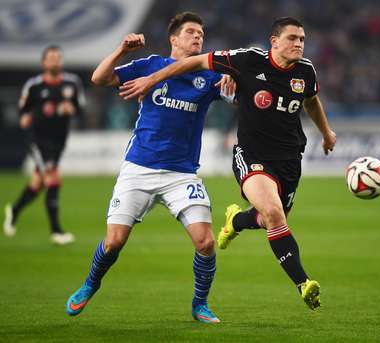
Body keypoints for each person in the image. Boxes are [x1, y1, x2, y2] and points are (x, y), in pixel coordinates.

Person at [119, 16, 337, 311]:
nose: (299, 44)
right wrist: (153, 78)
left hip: (289, 158)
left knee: (270, 218)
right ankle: (303, 283)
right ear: (274, 41)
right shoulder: (245, 60)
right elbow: (193, 64)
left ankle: (235, 221)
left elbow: (310, 100)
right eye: (292, 38)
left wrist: (326, 132)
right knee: (273, 213)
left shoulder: (305, 71)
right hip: (251, 155)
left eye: (302, 39)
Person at [65, 12, 236, 323]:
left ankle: (200, 304)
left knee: (206, 242)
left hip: (181, 173)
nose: (198, 37)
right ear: (174, 38)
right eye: (191, 32)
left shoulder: (208, 76)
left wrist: (232, 82)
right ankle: (90, 283)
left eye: (201, 33)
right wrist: (121, 50)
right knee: (114, 241)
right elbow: (99, 78)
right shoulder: (150, 65)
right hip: (138, 169)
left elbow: (233, 96)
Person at [3, 45, 85, 245]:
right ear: (44, 62)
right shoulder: (34, 86)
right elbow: (23, 111)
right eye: (51, 57)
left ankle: (14, 210)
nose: (55, 60)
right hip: (38, 140)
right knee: (53, 178)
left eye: (58, 57)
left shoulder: (72, 83)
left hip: (59, 141)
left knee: (37, 183)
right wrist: (25, 118)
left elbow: (80, 109)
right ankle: (56, 231)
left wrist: (71, 109)